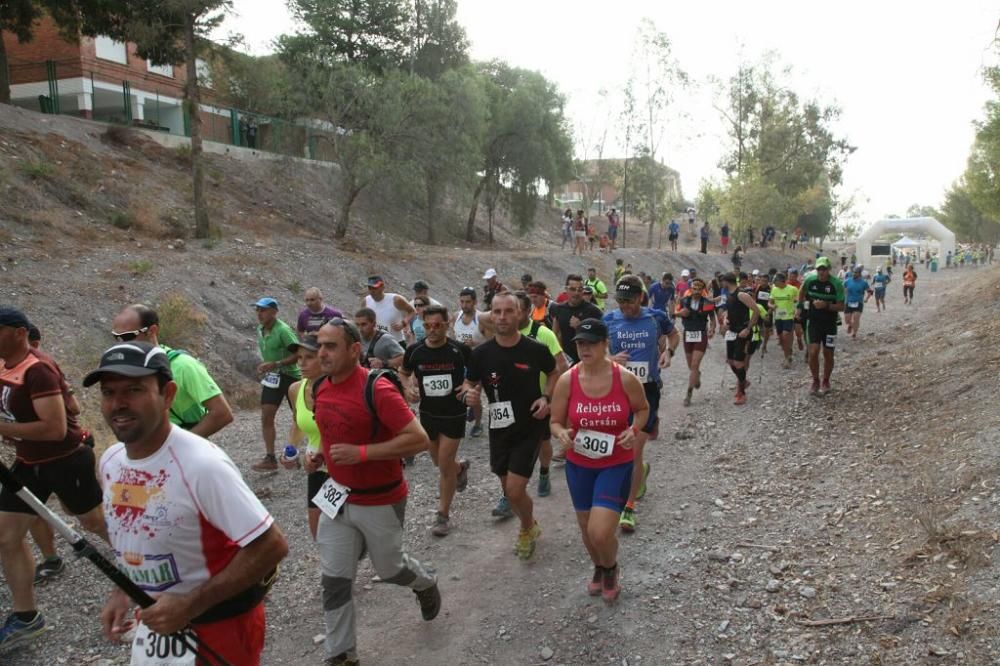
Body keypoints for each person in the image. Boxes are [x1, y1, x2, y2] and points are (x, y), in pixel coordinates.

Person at [89, 342, 288, 665]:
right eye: (108, 392)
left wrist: (190, 605)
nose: (118, 403)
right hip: (157, 624)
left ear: (167, 394)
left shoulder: (201, 465)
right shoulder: (111, 461)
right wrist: (122, 590)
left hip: (218, 627)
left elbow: (271, 546)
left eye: (134, 390)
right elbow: (131, 533)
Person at [312, 318, 440, 665]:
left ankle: (425, 582)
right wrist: (320, 455)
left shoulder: (377, 389)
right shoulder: (320, 386)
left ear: (355, 350)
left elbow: (419, 439)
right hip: (337, 499)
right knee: (334, 580)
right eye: (319, 345)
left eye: (331, 346)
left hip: (380, 499)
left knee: (390, 570)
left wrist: (362, 453)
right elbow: (333, 431)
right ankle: (341, 655)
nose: (322, 352)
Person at [0, 308, 108, 651]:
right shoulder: (4, 366)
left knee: (93, 522)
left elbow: (55, 428)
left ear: (18, 333)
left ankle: (151, 564)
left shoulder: (39, 370)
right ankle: (26, 616)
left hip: (65, 461)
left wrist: (4, 429)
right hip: (28, 463)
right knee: (5, 536)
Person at [549, 318, 649, 604]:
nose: (585, 348)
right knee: (585, 528)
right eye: (580, 343)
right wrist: (562, 434)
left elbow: (642, 409)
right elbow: (555, 422)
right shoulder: (568, 379)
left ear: (606, 344)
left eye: (591, 343)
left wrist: (633, 430)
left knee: (600, 530)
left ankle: (611, 567)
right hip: (579, 465)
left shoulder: (625, 378)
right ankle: (600, 567)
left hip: (615, 463)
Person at [464, 293, 557, 559]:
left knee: (515, 490)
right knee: (509, 490)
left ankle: (527, 528)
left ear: (519, 314)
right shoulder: (481, 354)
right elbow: (469, 384)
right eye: (497, 312)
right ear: (491, 316)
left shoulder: (535, 349)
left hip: (530, 426)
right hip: (499, 428)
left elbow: (553, 373)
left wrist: (546, 398)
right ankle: (530, 524)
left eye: (508, 311)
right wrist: (468, 394)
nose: (502, 317)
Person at [604, 277, 679, 532]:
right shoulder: (610, 320)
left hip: (647, 391)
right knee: (621, 449)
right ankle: (640, 471)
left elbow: (674, 335)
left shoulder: (655, 317)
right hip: (617, 390)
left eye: (629, 301)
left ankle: (629, 507)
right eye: (620, 301)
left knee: (633, 450)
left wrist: (669, 352)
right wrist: (611, 358)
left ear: (640, 298)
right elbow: (596, 349)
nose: (625, 306)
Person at [400, 306, 472, 537]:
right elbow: (403, 373)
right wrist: (408, 387)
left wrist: (471, 386)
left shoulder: (459, 350)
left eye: (437, 325)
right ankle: (459, 469)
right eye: (428, 325)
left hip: (454, 414)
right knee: (438, 462)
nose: (432, 330)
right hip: (428, 414)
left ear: (447, 324)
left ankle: (443, 515)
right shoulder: (414, 351)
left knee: (443, 464)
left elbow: (476, 373)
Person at [112, 304, 233, 437]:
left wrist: (179, 445)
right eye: (116, 337)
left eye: (128, 336)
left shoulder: (184, 366)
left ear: (152, 331)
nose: (121, 345)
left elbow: (222, 413)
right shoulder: (126, 370)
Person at [24, 323, 85, 586]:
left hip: (65, 453)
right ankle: (51, 560)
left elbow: (74, 407)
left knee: (83, 514)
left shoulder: (41, 367)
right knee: (32, 507)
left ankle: (128, 549)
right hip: (29, 456)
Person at [515, 291, 569, 500]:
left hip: (540, 398)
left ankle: (544, 471)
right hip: (513, 398)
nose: (512, 315)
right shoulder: (503, 334)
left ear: (528, 311)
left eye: (517, 310)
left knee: (543, 442)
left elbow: (562, 364)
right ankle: (508, 492)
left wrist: (552, 396)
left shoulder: (543, 333)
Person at [287, 334, 330, 540]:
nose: (302, 363)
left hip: (346, 465)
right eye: (299, 357)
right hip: (316, 468)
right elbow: (298, 423)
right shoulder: (295, 389)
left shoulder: (339, 387)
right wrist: (291, 450)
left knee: (347, 536)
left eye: (309, 357)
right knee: (319, 535)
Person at [252, 297, 302, 471]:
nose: (259, 314)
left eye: (263, 310)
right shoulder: (260, 329)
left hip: (290, 377)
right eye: (257, 310)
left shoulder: (283, 330)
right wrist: (268, 366)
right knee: (266, 416)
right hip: (272, 378)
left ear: (274, 312)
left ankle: (299, 453)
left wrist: (276, 363)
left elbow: (298, 354)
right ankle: (270, 458)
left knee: (300, 418)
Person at [798, 256, 845, 395]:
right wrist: (799, 307)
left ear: (829, 270)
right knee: (813, 352)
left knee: (828, 354)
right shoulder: (810, 280)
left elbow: (842, 306)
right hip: (813, 322)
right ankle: (815, 380)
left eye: (824, 269)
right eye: (819, 269)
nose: (821, 272)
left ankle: (826, 380)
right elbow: (801, 291)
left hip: (830, 324)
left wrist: (826, 305)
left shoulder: (836, 284)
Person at [452, 288, 491, 437]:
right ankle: (467, 414)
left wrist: (475, 342)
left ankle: (478, 423)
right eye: (462, 301)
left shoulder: (482, 319)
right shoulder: (456, 316)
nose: (464, 305)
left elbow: (491, 341)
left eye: (468, 302)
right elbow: (453, 336)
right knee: (459, 392)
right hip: (460, 362)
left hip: (478, 362)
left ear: (475, 302)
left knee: (474, 394)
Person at [675, 277, 717, 406]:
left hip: (701, 334)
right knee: (691, 367)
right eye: (694, 288)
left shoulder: (707, 302)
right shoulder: (683, 300)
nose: (696, 291)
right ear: (690, 289)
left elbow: (712, 318)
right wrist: (680, 313)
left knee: (694, 365)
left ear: (703, 290)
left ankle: (688, 394)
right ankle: (696, 375)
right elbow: (675, 312)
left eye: (699, 289)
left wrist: (712, 329)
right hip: (688, 334)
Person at [720, 273, 760, 405]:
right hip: (731, 331)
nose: (721, 284)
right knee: (730, 361)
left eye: (722, 281)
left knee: (738, 363)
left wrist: (748, 328)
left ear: (726, 281)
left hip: (742, 332)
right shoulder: (729, 295)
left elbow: (756, 310)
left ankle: (741, 393)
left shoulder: (741, 294)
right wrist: (726, 320)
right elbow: (728, 311)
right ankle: (743, 381)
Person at [551, 274, 604, 366]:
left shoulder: (594, 311)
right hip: (567, 362)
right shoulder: (559, 309)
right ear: (566, 290)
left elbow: (603, 337)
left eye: (580, 289)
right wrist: (560, 356)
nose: (576, 293)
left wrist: (581, 327)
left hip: (588, 361)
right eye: (572, 289)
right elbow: (555, 334)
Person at [363, 275, 414, 342]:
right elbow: (361, 319)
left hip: (396, 342)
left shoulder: (396, 300)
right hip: (375, 343)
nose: (372, 291)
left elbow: (412, 312)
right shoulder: (366, 301)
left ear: (382, 287)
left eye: (375, 288)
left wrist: (403, 323)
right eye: (370, 288)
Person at [768, 273, 799, 368]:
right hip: (778, 317)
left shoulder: (793, 289)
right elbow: (769, 302)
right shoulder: (774, 289)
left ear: (782, 281)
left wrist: (797, 311)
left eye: (775, 281)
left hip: (788, 316)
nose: (774, 283)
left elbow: (798, 301)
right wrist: (772, 306)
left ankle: (787, 358)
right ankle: (788, 351)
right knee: (781, 339)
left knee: (786, 335)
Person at [843, 267, 872, 339]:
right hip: (848, 302)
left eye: (856, 272)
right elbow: (841, 289)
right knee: (847, 320)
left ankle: (854, 333)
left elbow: (870, 291)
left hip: (858, 302)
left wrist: (866, 298)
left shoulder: (863, 283)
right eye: (853, 272)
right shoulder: (847, 281)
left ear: (859, 274)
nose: (854, 274)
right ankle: (851, 325)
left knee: (856, 318)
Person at [753, 273, 774, 354]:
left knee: (767, 330)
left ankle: (764, 346)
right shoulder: (758, 287)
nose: (763, 282)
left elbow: (773, 301)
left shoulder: (771, 288)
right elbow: (754, 299)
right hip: (758, 311)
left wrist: (769, 312)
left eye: (765, 281)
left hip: (768, 311)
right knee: (756, 327)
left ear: (768, 281)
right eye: (762, 281)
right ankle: (758, 340)